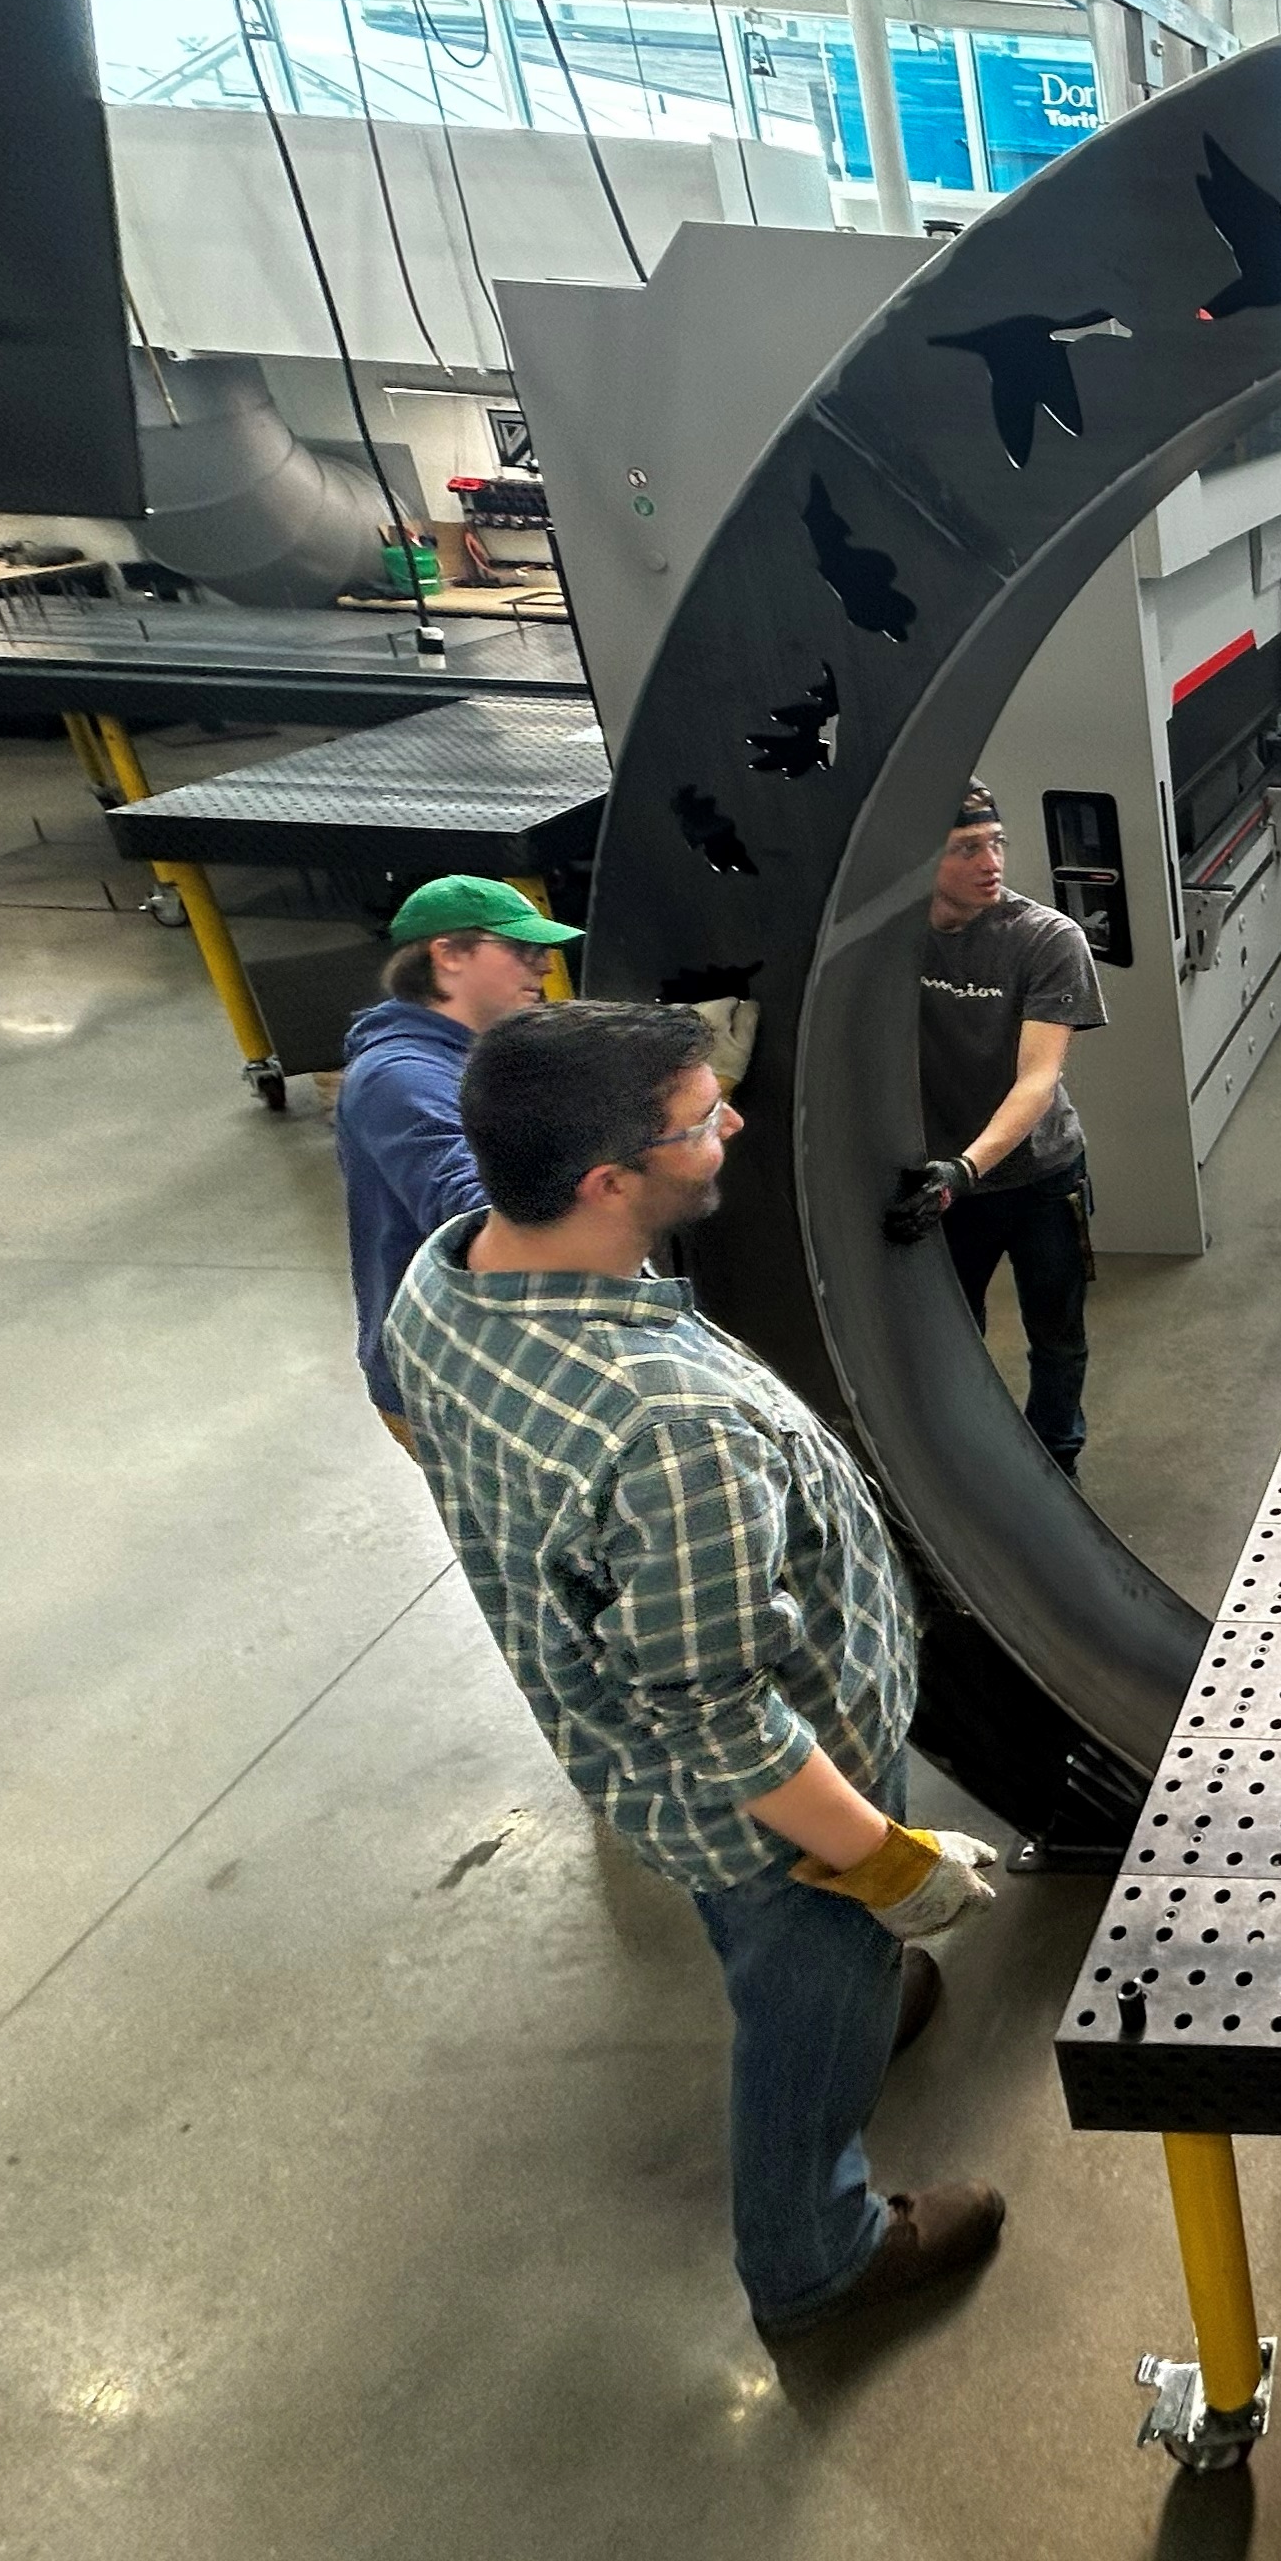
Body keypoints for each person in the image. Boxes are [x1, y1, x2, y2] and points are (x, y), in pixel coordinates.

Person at [385, 1001, 1010, 2338]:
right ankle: (816, 2256)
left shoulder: (448, 1278)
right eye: (697, 1121)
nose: (729, 1121)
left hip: (635, 1759)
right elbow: (726, 1722)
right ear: (607, 1182)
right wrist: (884, 1862)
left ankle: (864, 1988)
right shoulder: (672, 1429)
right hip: (782, 1812)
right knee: (801, 1993)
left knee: (815, 1965)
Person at [884, 785, 1107, 1476]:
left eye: (996, 843)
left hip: (1039, 1177)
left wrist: (965, 1168)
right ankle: (970, 1463)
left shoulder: (1045, 939)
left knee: (1058, 1333)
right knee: (954, 1334)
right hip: (940, 1183)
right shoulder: (887, 941)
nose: (991, 863)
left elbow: (1037, 1079)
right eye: (966, 849)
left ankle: (1056, 1462)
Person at [336, 874, 581, 1448]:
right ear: (448, 955)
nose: (545, 965)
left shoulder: (478, 1056)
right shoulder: (402, 1080)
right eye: (523, 949)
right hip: (457, 1385)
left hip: (497, 1361)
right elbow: (480, 1214)